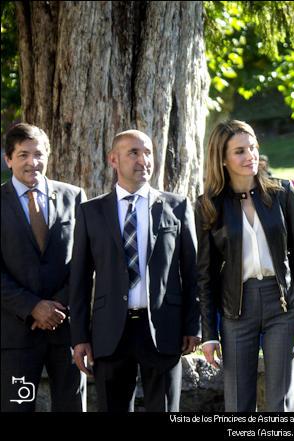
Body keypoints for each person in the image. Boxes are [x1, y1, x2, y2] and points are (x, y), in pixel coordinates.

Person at [69, 130, 200, 412]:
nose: (143, 160)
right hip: (109, 333)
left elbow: (192, 273)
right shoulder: (90, 212)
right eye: (134, 153)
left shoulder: (177, 207)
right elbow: (78, 280)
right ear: (113, 159)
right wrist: (79, 337)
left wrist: (192, 325)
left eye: (148, 153)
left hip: (163, 330)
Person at [196, 120, 294, 412]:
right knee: (238, 403)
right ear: (222, 159)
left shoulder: (282, 193)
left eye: (252, 147)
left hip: (282, 306)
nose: (250, 155)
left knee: (282, 402)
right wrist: (209, 333)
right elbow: (205, 276)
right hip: (236, 309)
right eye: (239, 151)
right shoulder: (209, 205)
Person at [1, 123, 87, 412]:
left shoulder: (74, 196)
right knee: (18, 407)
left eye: (38, 154)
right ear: (8, 159)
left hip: (67, 331)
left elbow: (84, 260)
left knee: (71, 407)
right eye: (23, 154)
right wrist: (33, 307)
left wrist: (58, 305)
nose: (32, 162)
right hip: (16, 335)